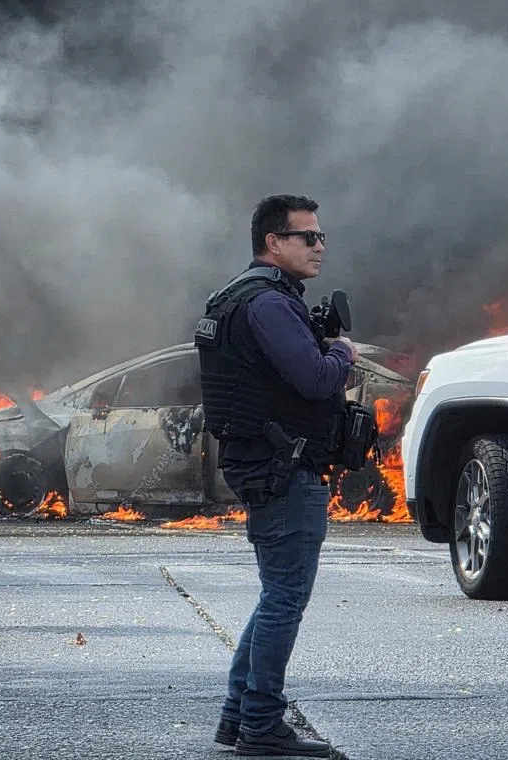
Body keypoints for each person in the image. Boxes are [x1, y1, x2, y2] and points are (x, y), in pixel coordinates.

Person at [194, 195, 357, 758]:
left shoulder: (237, 296)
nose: (319, 246)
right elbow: (314, 379)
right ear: (273, 243)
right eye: (306, 237)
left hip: (268, 465)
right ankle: (261, 725)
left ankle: (237, 720)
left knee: (274, 597)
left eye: (319, 236)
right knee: (285, 599)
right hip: (283, 470)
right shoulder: (267, 304)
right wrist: (342, 353)